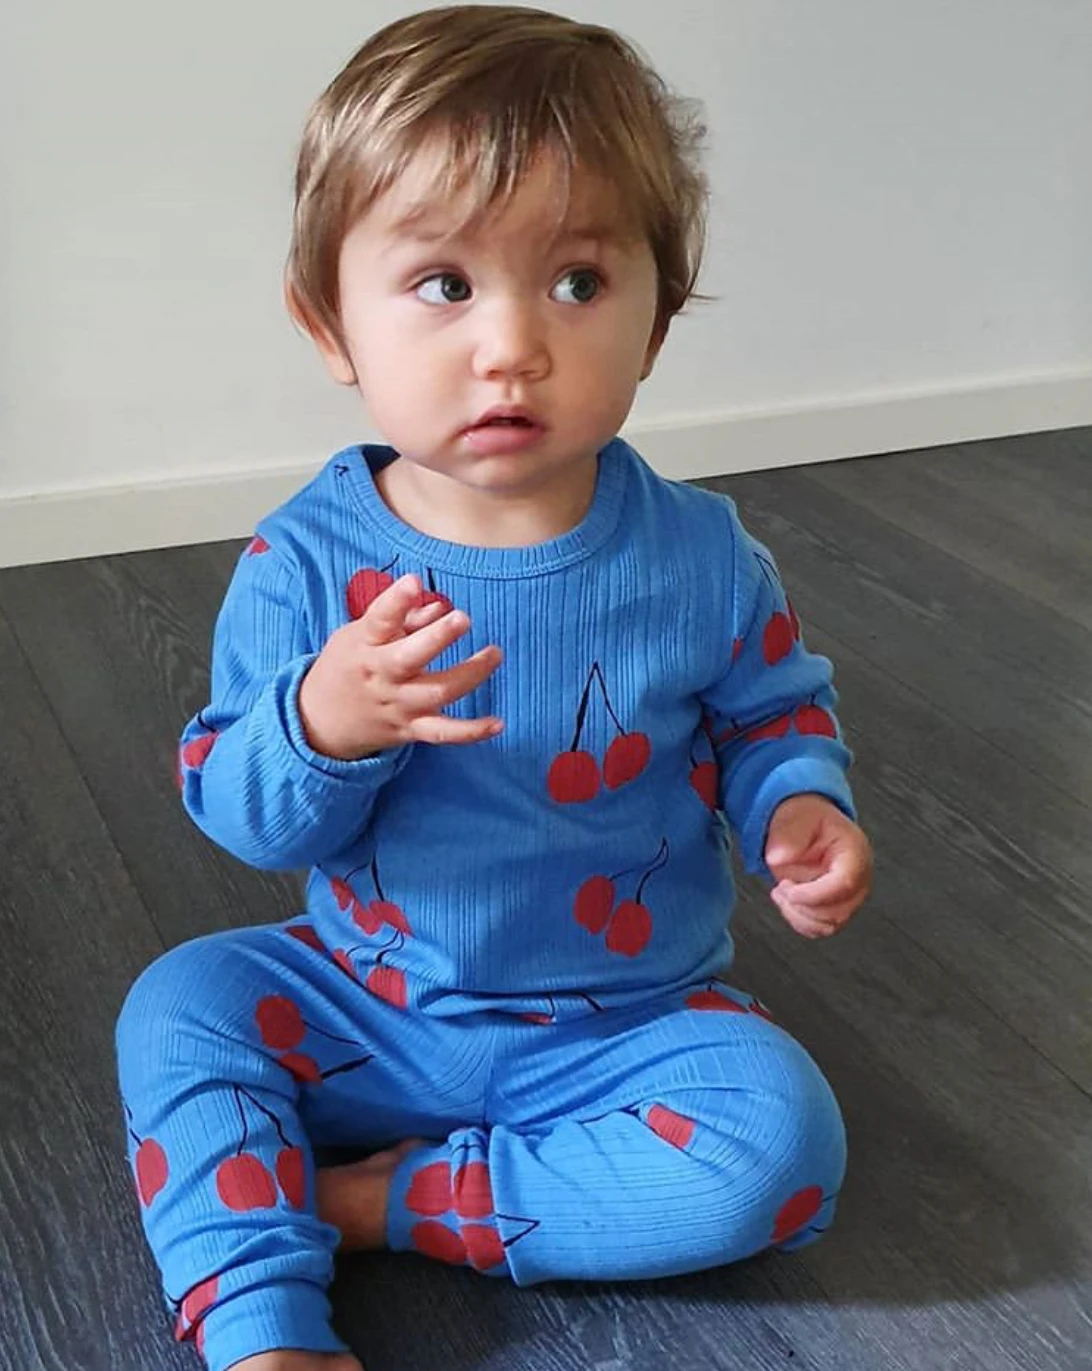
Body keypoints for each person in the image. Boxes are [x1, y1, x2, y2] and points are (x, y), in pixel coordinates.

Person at [116, 7, 873, 1370]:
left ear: (657, 322)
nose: (512, 343)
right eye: (444, 284)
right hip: (367, 1004)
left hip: (627, 1022)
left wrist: (798, 806)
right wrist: (322, 724)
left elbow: (773, 713)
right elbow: (238, 807)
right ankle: (262, 1321)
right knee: (182, 1007)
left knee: (782, 1142)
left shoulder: (702, 557)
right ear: (329, 323)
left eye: (578, 281)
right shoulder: (305, 562)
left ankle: (375, 1203)